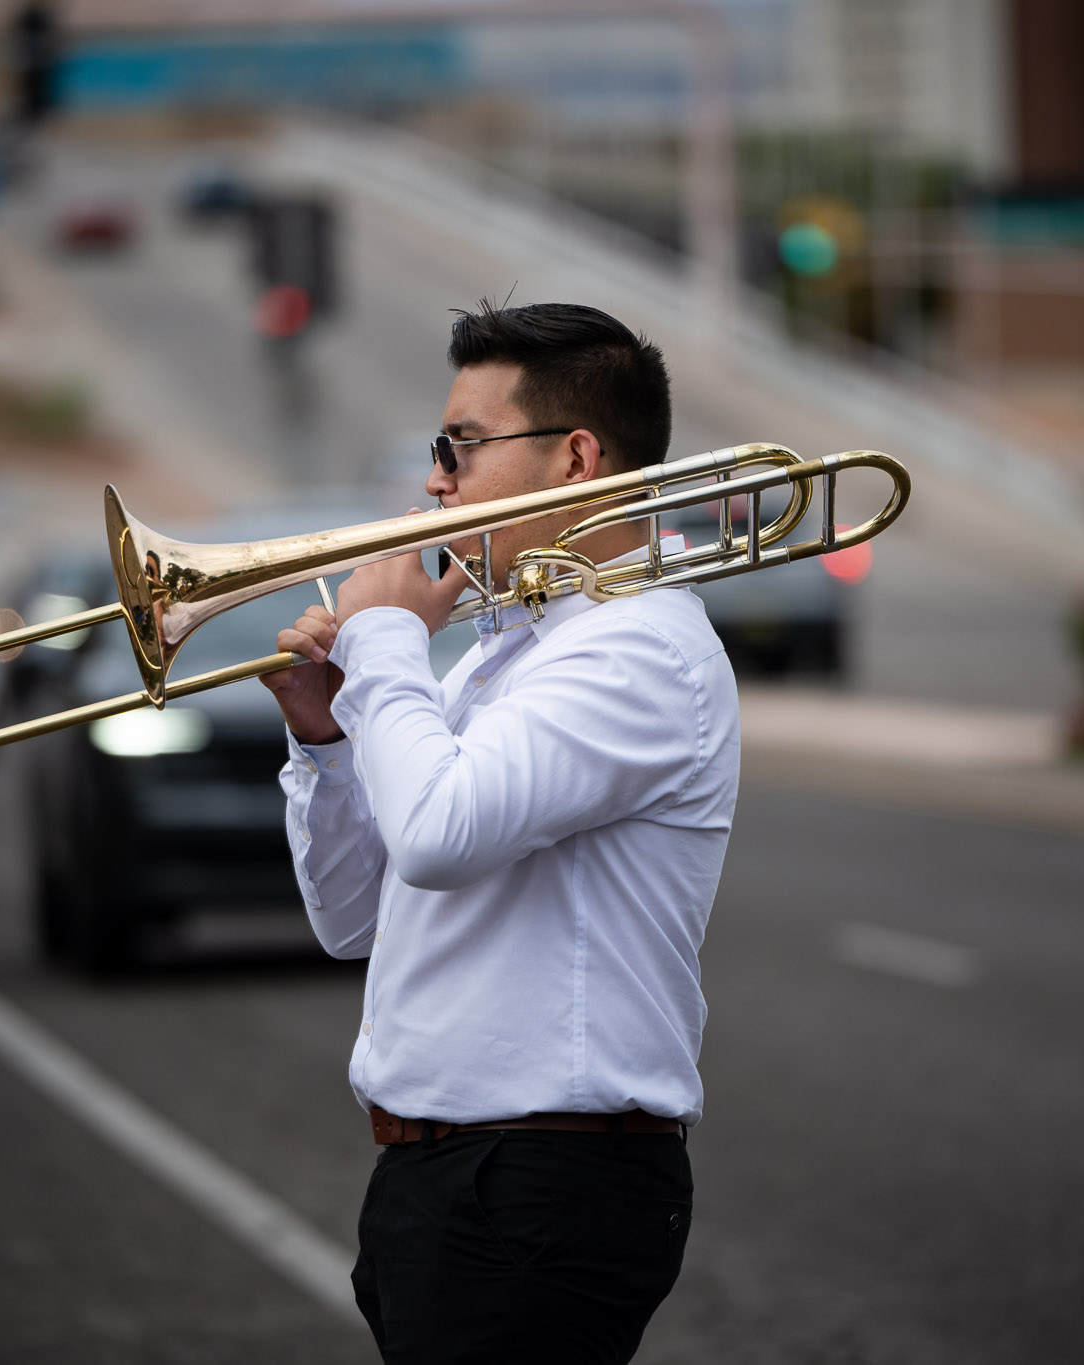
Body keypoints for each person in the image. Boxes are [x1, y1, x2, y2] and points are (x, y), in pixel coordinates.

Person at [262, 301, 739, 1363]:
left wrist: (385, 638)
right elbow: (355, 921)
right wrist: (326, 745)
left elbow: (437, 835)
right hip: (447, 1180)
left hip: (541, 1185)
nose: (435, 480)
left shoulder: (638, 650)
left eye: (461, 447)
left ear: (575, 458)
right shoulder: (498, 652)